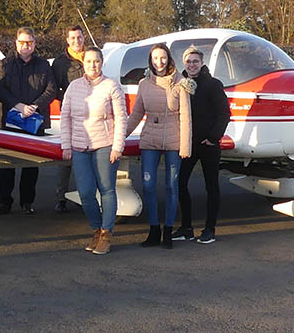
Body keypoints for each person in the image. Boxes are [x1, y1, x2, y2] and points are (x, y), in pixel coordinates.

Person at [125, 43, 193, 249]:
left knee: (172, 186)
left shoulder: (181, 83)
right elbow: (137, 113)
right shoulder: (144, 83)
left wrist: (185, 146)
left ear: (169, 59)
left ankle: (168, 232)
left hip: (173, 139)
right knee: (147, 184)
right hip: (150, 139)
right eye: (155, 58)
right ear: (150, 60)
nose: (159, 62)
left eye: (162, 58)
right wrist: (120, 136)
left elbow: (186, 116)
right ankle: (153, 229)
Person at [60, 47, 127, 255]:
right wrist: (66, 145)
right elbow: (65, 117)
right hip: (80, 147)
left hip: (104, 144)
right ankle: (96, 228)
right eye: (89, 61)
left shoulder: (111, 86)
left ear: (101, 63)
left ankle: (107, 233)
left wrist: (117, 146)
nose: (92, 65)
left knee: (107, 189)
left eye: (96, 61)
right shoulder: (73, 87)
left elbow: (121, 118)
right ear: (84, 64)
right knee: (86, 192)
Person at [0, 27, 56, 215]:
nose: (26, 46)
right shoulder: (5, 64)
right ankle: (4, 202)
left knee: (31, 165)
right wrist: (19, 106)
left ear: (34, 44)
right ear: (16, 43)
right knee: (7, 164)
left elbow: (51, 89)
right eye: (22, 42)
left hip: (34, 121)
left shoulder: (44, 65)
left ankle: (27, 202)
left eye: (29, 42)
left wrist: (35, 106)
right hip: (11, 121)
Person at [172, 46, 230, 244]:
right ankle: (186, 227)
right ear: (184, 64)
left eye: (195, 61)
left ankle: (209, 229)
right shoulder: (180, 84)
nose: (192, 65)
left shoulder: (213, 85)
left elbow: (224, 113)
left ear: (202, 63)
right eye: (188, 62)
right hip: (187, 144)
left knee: (211, 186)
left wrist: (214, 137)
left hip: (208, 144)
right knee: (180, 184)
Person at [51, 25, 86, 213]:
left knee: (88, 157)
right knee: (67, 157)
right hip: (71, 113)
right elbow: (54, 86)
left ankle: (86, 195)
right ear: (67, 40)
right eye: (72, 38)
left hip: (90, 114)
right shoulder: (60, 62)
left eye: (79, 37)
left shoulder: (91, 56)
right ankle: (61, 197)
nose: (76, 41)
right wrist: (68, 100)